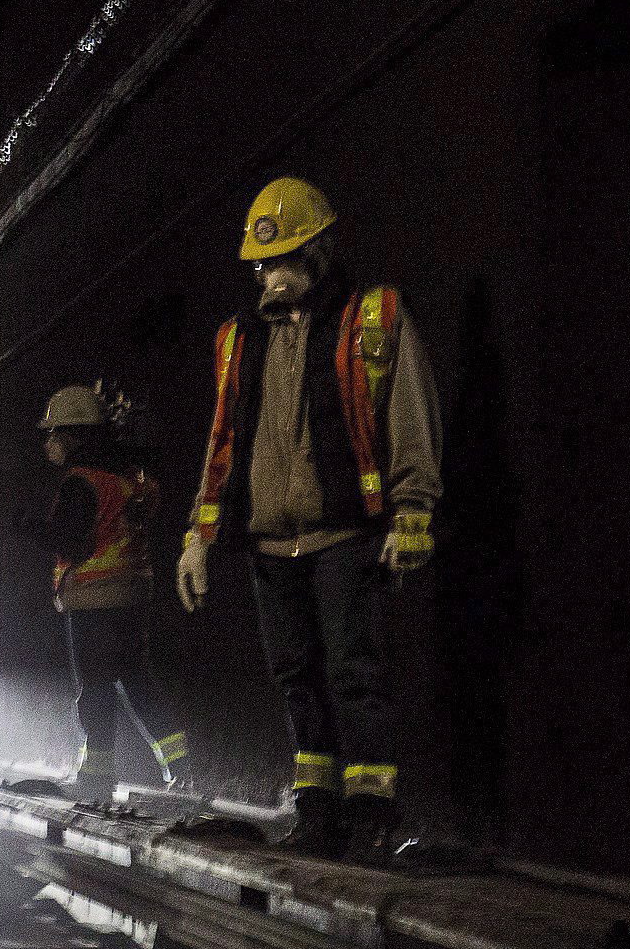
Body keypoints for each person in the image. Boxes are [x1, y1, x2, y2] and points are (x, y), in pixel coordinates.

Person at [177, 177, 442, 858]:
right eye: (263, 264)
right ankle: (317, 814)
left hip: (344, 532)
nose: (271, 275)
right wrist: (197, 539)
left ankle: (372, 815)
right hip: (272, 542)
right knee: (296, 678)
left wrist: (413, 509)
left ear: (319, 253)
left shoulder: (372, 319)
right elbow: (221, 444)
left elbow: (408, 416)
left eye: (285, 259)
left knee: (355, 674)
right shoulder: (240, 340)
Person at [39, 383, 187, 802]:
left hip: (93, 598)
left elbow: (69, 541)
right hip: (133, 595)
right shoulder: (130, 480)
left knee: (96, 688)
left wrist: (29, 528)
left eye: (55, 433)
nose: (49, 443)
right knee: (136, 681)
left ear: (74, 435)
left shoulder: (80, 483)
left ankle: (96, 775)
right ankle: (180, 766)